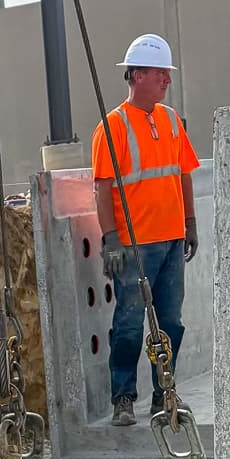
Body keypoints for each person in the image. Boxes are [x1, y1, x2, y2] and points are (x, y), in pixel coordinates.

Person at [91, 33, 200, 427]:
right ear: (136, 75)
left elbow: (183, 173)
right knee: (129, 324)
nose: (166, 80)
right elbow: (102, 187)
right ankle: (123, 398)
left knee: (170, 323)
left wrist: (189, 222)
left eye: (167, 74)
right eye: (159, 73)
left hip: (171, 241)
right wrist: (111, 239)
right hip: (136, 245)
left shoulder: (171, 120)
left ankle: (163, 394)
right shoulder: (112, 126)